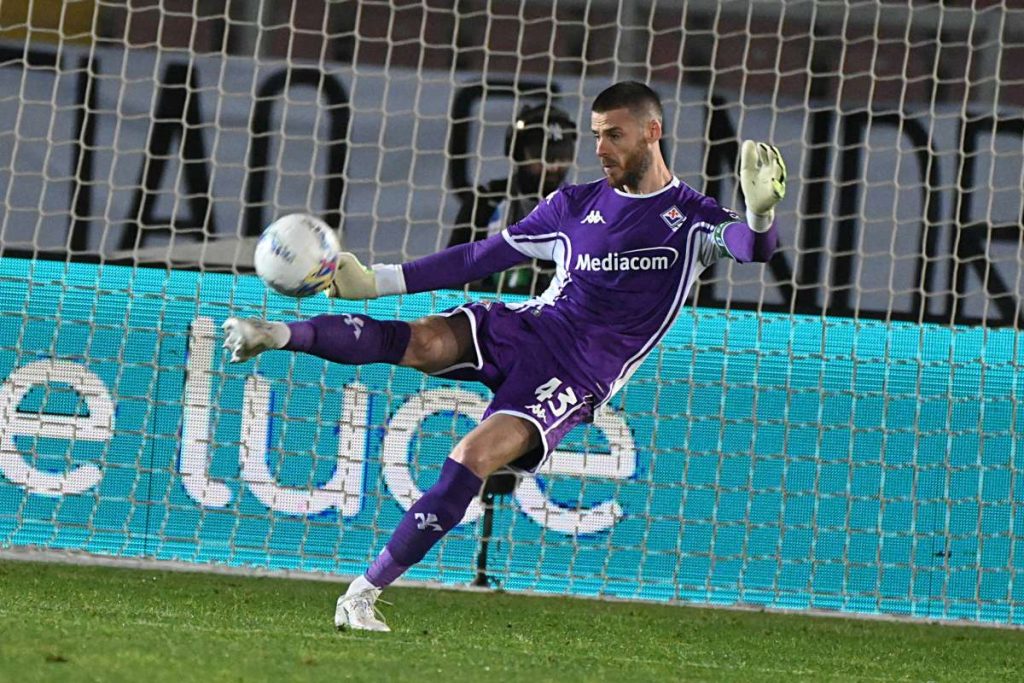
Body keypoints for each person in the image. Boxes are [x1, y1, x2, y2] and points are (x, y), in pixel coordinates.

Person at [222, 81, 786, 632]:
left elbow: (750, 247)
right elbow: (481, 256)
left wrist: (759, 216)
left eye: (614, 135)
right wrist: (376, 281)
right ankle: (277, 334)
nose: (600, 148)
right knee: (421, 341)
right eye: (596, 135)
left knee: (472, 456)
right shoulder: (574, 204)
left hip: (576, 374)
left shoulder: (691, 217)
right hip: (531, 327)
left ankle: (362, 594)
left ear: (652, 132)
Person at [448, 102, 577, 295]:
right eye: (542, 156)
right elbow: (451, 271)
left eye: (562, 156)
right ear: (517, 153)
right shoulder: (486, 200)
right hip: (488, 306)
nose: (554, 166)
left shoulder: (579, 208)